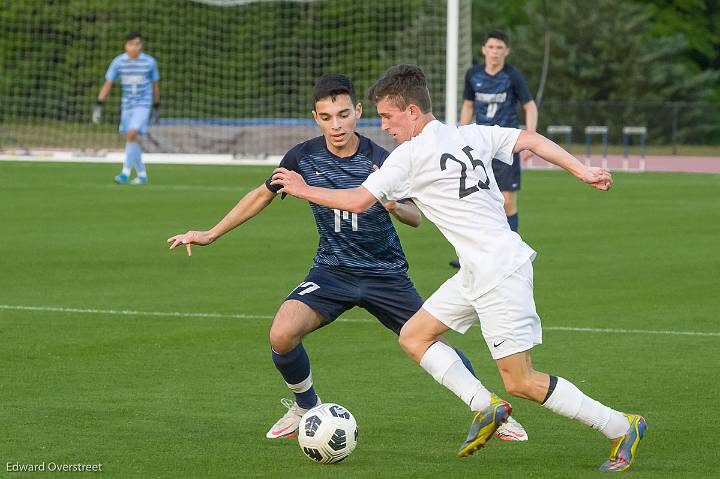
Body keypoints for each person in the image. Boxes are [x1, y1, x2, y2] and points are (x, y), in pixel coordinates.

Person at [271, 65, 646, 472]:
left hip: (499, 271)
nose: (384, 126)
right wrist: (583, 170)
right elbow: (530, 140)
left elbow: (359, 201)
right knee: (415, 336)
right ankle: (485, 406)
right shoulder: (470, 133)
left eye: (387, 116)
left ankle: (621, 426)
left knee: (521, 381)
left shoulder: (410, 155)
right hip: (477, 270)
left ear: (412, 111)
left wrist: (302, 188)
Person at [166, 74, 527, 442]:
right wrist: (211, 233)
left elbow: (415, 217)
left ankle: (488, 408)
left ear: (357, 111)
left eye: (343, 114)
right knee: (282, 333)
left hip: (386, 274)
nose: (336, 125)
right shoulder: (302, 157)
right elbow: (262, 194)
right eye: (326, 117)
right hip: (332, 271)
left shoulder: (386, 158)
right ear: (315, 118)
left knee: (430, 343)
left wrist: (393, 205)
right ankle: (306, 405)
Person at [450, 30, 537, 268]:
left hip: (505, 146)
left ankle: (510, 254)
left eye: (500, 48)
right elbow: (468, 106)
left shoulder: (512, 76)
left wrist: (530, 138)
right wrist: (461, 135)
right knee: (475, 200)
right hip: (478, 146)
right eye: (491, 47)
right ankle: (472, 257)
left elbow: (530, 107)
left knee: (507, 201)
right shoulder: (473, 74)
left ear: (506, 51)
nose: (495, 52)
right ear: (484, 49)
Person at [93, 32, 160, 185]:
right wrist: (98, 104)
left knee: (132, 133)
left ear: (141, 46)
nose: (134, 47)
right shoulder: (118, 62)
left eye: (137, 44)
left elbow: (155, 84)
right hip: (127, 105)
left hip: (143, 104)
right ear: (126, 46)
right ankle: (142, 175)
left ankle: (125, 173)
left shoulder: (149, 62)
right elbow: (108, 82)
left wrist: (156, 105)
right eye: (131, 44)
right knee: (132, 138)